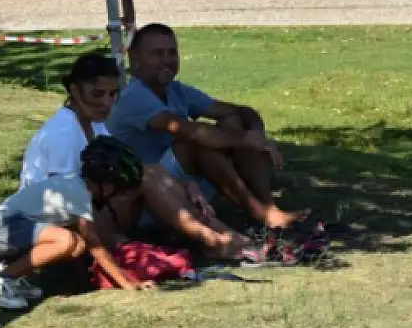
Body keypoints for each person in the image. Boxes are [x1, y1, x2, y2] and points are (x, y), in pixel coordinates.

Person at [23, 51, 262, 263]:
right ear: (74, 90)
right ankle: (214, 240)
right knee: (147, 176)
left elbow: (129, 167)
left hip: (95, 209)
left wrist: (185, 185)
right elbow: (67, 204)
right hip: (65, 226)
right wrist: (108, 250)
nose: (107, 103)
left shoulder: (92, 124)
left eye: (112, 94)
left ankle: (221, 236)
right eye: (97, 94)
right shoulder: (63, 134)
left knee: (150, 172)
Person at [106, 23, 305, 231]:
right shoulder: (133, 96)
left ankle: (267, 207)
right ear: (135, 59)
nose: (167, 60)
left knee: (232, 122)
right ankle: (260, 212)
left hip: (181, 185)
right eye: (157, 54)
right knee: (195, 142)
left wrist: (255, 132)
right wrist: (245, 141)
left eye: (172, 53)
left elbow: (239, 111)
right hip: (145, 198)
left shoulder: (176, 90)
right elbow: (187, 131)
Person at [0, 137, 153, 309]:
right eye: (119, 191)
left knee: (77, 245)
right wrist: (127, 283)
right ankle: (0, 279)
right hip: (0, 229)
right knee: (66, 240)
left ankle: (9, 272)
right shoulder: (78, 193)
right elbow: (96, 247)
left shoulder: (75, 187)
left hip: (4, 231)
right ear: (107, 186)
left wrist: (84, 284)